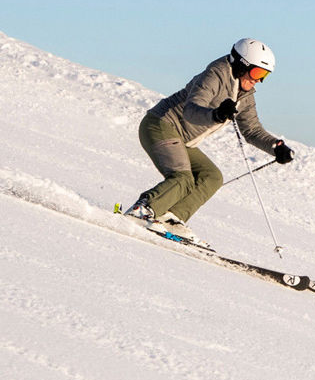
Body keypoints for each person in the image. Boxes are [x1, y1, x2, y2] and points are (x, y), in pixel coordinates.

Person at [124, 38, 295, 243]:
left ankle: (171, 218)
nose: (258, 80)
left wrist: (275, 147)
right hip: (160, 125)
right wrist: (216, 114)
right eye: (257, 73)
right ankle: (143, 209)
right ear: (242, 64)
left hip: (182, 139)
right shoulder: (215, 75)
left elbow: (251, 130)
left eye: (264, 76)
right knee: (182, 178)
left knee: (211, 176)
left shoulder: (245, 94)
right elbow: (191, 110)